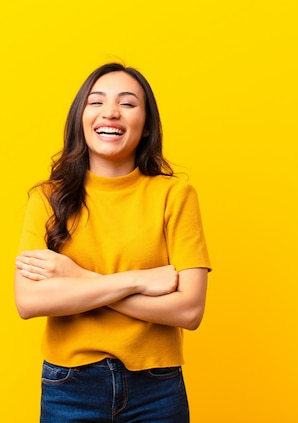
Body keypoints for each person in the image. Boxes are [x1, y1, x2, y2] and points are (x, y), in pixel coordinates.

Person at [14, 62, 211, 422]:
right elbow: (29, 301)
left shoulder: (175, 195)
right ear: (80, 118)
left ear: (147, 123)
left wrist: (77, 278)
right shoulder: (47, 198)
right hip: (69, 385)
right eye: (97, 102)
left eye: (128, 103)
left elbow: (189, 311)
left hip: (157, 386)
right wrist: (139, 280)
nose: (111, 113)